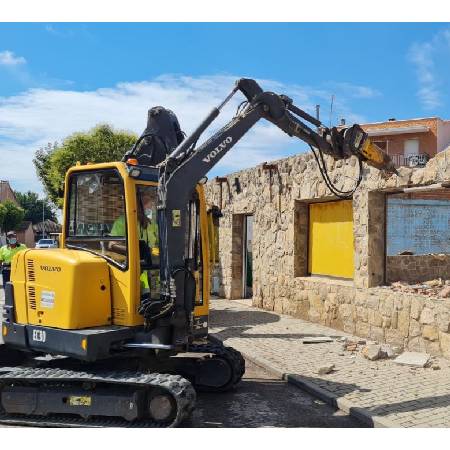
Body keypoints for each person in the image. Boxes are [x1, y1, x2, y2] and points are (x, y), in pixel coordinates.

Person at [109, 188, 159, 295]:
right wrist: (136, 251)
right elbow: (112, 245)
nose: (150, 207)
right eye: (147, 203)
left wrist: (154, 252)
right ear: (138, 205)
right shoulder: (122, 222)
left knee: (155, 301)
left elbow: (159, 244)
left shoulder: (151, 224)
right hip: (132, 273)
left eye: (150, 203)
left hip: (152, 272)